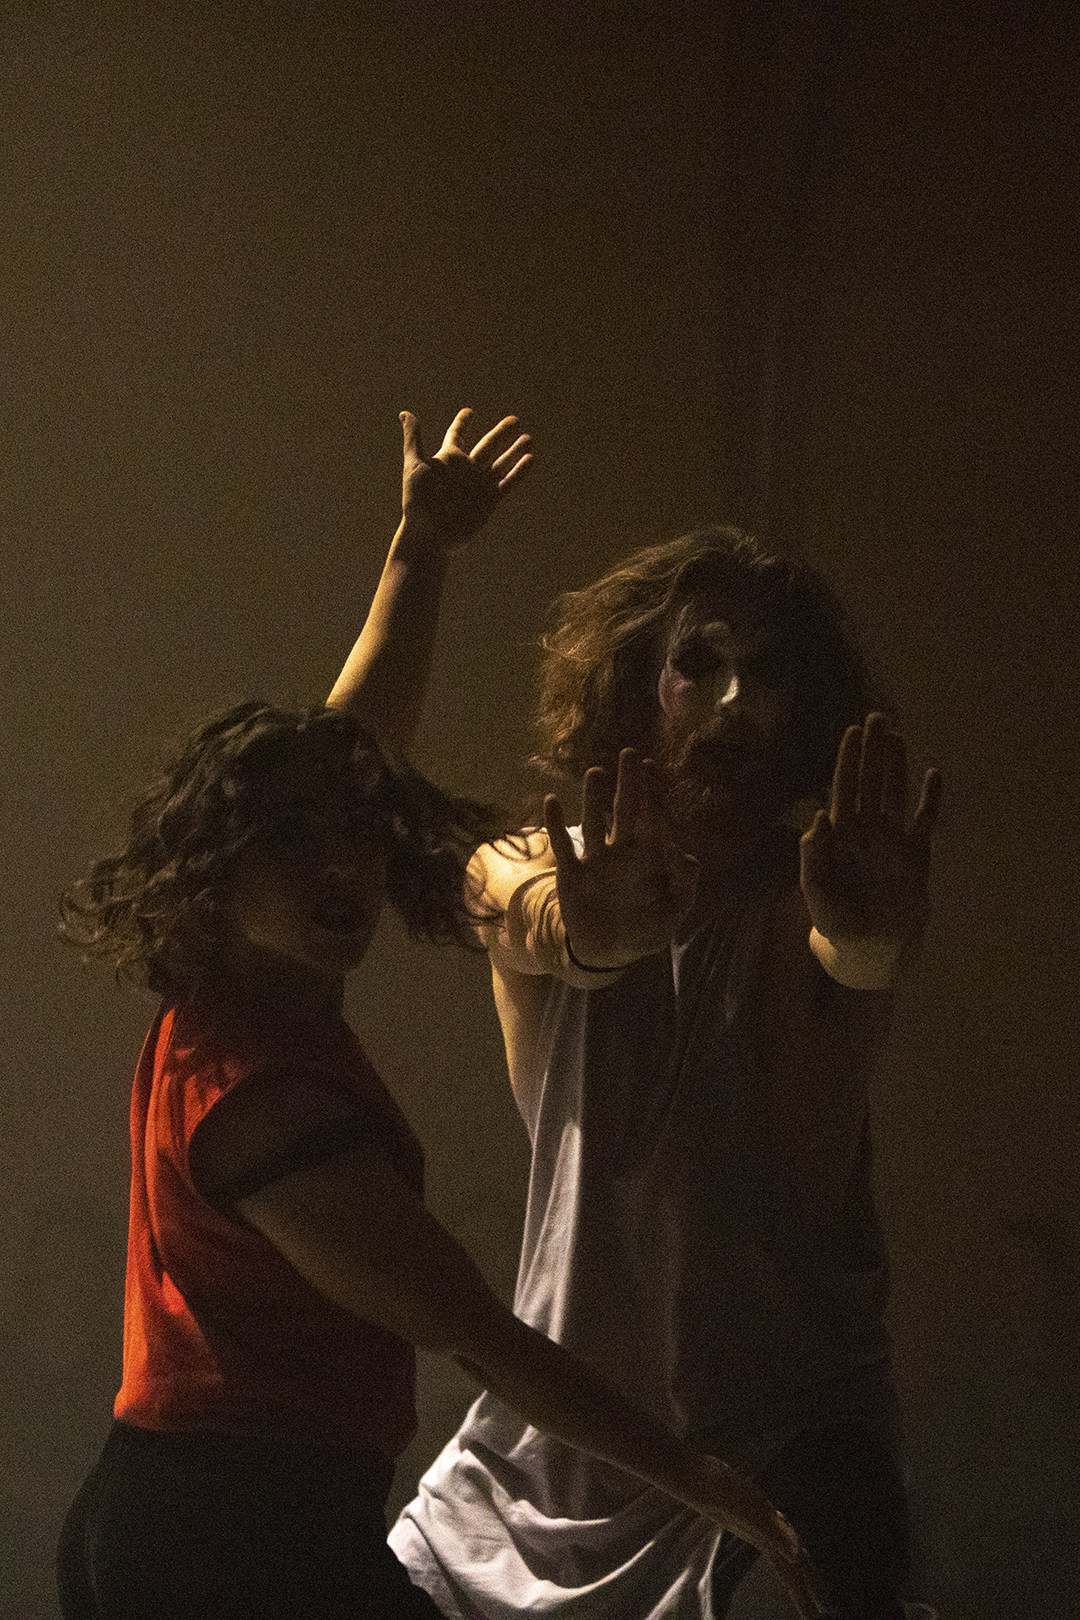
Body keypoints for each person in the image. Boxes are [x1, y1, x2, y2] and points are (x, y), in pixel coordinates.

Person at [55, 414, 823, 1620]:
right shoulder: (262, 1093)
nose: (340, 867)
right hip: (229, 1536)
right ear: (214, 872)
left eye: (355, 836)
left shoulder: (236, 997)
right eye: (293, 843)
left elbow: (351, 751)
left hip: (209, 1519)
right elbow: (477, 1335)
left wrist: (419, 550)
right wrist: (712, 1489)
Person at [352, 523, 943, 1620]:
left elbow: (860, 953)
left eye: (768, 673)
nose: (733, 702)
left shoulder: (816, 890)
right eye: (699, 664)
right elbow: (520, 906)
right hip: (550, 1453)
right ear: (638, 687)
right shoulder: (537, 864)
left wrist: (873, 932)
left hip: (782, 1445)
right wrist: (591, 937)